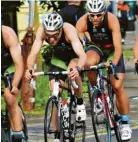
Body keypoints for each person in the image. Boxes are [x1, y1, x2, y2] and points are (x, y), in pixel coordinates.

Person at [25, 13, 87, 141]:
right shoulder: (42, 31)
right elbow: (32, 54)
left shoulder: (68, 30)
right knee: (54, 91)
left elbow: (82, 56)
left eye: (54, 36)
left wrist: (78, 69)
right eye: (48, 36)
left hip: (74, 55)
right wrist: (30, 68)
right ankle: (56, 133)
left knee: (72, 71)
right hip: (58, 58)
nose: (51, 39)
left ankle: (80, 101)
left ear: (60, 30)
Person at [76, 0, 132, 140]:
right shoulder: (82, 22)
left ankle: (125, 123)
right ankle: (98, 94)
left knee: (118, 86)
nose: (95, 18)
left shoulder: (112, 20)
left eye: (99, 15)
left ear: (104, 13)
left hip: (112, 50)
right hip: (96, 48)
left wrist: (112, 62)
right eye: (92, 15)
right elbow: (79, 44)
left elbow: (118, 47)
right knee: (89, 63)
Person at [1, 25, 24, 141]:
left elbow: (19, 64)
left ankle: (18, 135)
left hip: (10, 67)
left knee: (9, 97)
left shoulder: (7, 34)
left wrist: (14, 84)